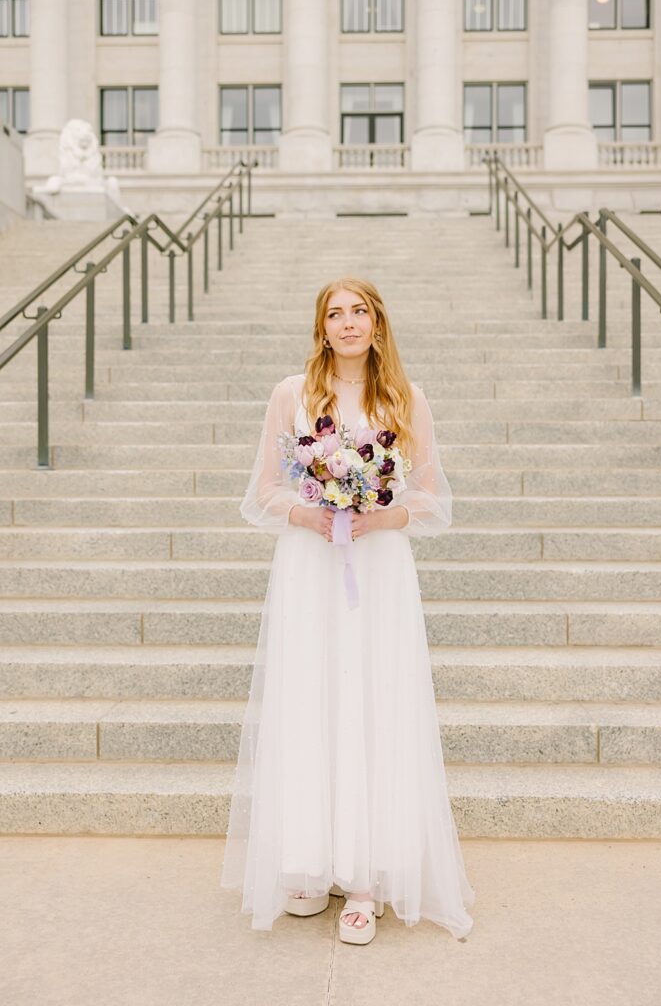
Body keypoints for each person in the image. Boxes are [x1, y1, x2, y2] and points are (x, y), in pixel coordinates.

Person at [220, 277, 475, 945]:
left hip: (378, 566)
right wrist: (306, 510)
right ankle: (310, 861)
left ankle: (363, 878)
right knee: (310, 701)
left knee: (371, 703)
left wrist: (383, 513)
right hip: (310, 564)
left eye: (358, 311)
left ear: (377, 322)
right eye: (334, 314)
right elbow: (265, 489)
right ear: (321, 327)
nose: (347, 323)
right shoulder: (292, 395)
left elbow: (430, 498)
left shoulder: (404, 397)